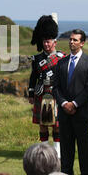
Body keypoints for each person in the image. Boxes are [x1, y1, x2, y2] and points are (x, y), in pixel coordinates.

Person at [52, 29, 88, 175]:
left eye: (75, 40)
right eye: (70, 39)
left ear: (82, 43)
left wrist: (75, 104)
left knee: (84, 148)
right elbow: (55, 87)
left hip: (82, 112)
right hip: (64, 113)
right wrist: (64, 103)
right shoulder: (61, 63)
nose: (71, 42)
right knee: (66, 148)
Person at [29, 15, 67, 158]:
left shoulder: (62, 57)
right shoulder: (37, 59)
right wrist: (31, 93)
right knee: (42, 122)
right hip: (41, 92)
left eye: (49, 41)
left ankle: (57, 149)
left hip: (56, 92)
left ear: (55, 42)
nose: (46, 44)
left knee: (56, 123)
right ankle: (44, 149)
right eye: (44, 41)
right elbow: (33, 77)